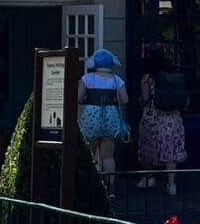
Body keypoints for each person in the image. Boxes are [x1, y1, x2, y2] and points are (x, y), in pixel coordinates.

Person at [136, 45, 187, 197]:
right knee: (171, 151)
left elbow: (145, 99)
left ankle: (148, 178)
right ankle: (171, 184)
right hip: (173, 117)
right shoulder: (176, 75)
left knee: (147, 148)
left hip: (153, 117)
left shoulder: (148, 78)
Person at [75, 48, 128, 182]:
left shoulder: (87, 78)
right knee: (108, 156)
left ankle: (91, 185)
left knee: (90, 154)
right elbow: (125, 99)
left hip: (91, 116)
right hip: (110, 116)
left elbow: (79, 98)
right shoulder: (117, 80)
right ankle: (110, 188)